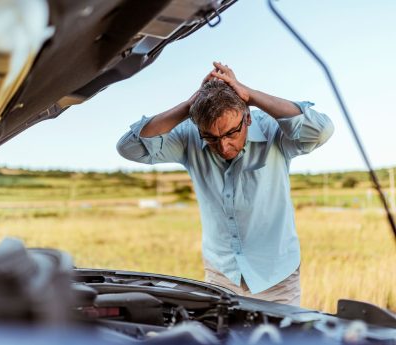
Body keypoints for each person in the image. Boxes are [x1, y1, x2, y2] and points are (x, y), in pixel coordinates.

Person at [117, 62, 334, 306]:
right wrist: (189, 106)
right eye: (211, 137)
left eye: (231, 133)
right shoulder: (189, 135)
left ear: (248, 117)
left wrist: (250, 95)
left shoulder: (272, 129)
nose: (223, 146)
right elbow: (129, 147)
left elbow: (320, 130)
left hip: (277, 278)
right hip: (221, 277)